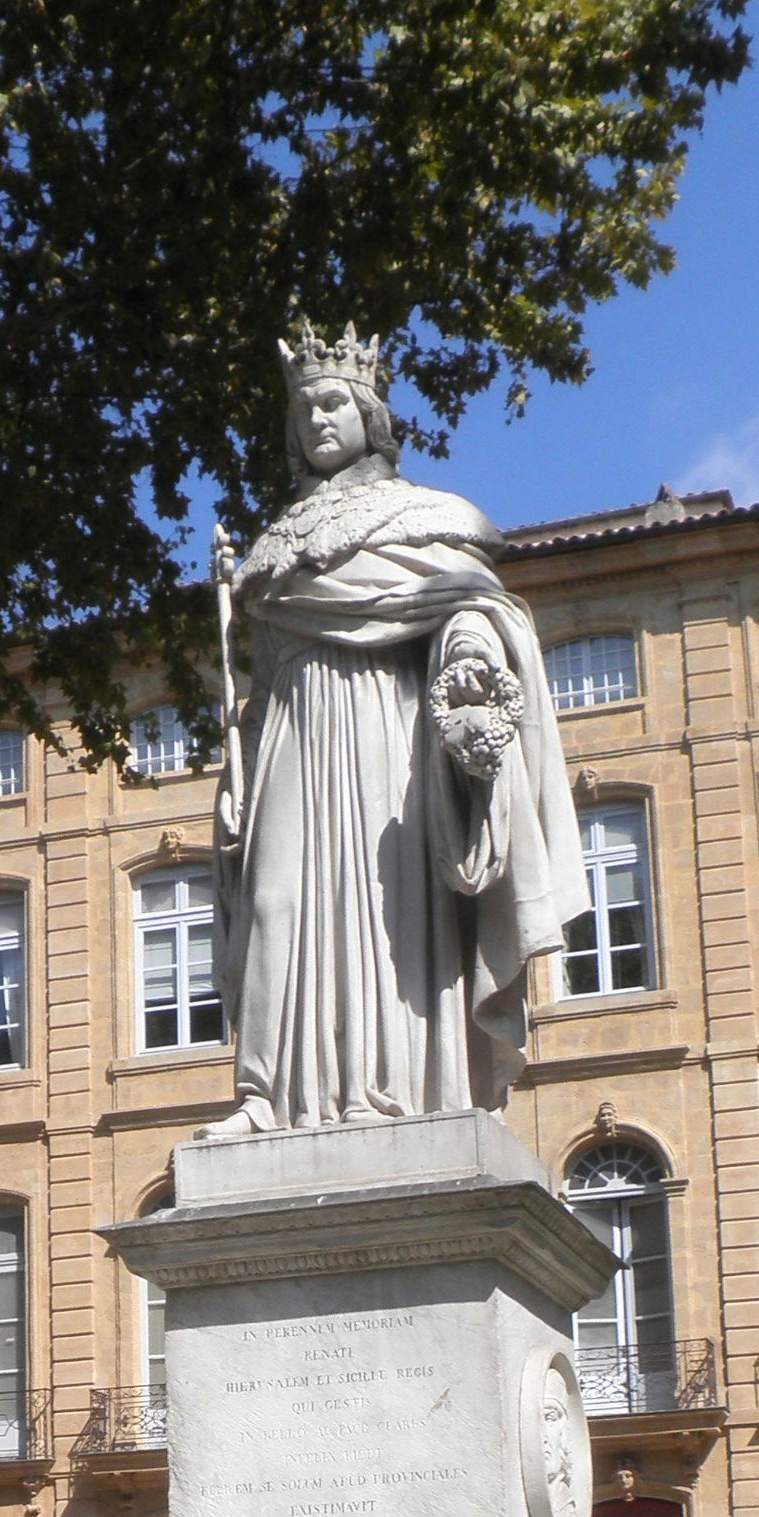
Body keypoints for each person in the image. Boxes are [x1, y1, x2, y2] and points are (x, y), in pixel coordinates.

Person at [202, 321, 588, 1136]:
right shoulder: (268, 556)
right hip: (293, 743)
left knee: (383, 920)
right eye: (303, 409)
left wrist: (471, 672)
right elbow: (261, 689)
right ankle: (266, 1096)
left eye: (334, 402)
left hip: (386, 735)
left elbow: (472, 609)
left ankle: (398, 1088)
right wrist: (236, 779)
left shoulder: (429, 518)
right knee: (275, 902)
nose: (317, 421)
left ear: (371, 413)